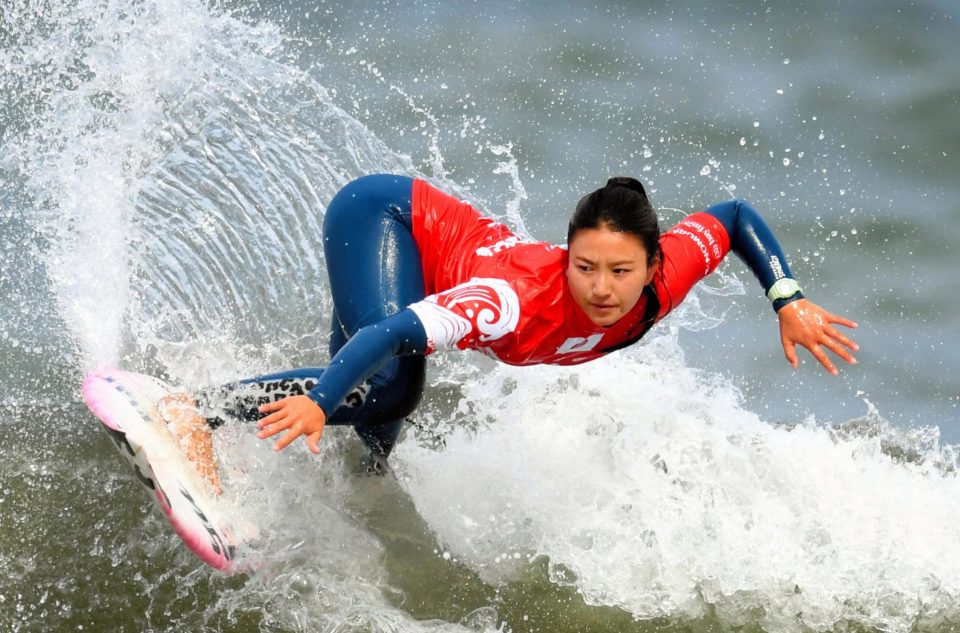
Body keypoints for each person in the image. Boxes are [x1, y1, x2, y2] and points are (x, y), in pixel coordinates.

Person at [166, 173, 858, 487]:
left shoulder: (666, 276)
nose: (600, 287)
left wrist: (787, 297)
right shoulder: (514, 301)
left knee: (374, 441)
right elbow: (386, 335)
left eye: (621, 271)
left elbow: (733, 215)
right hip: (384, 219)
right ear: (565, 256)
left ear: (653, 268)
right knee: (390, 387)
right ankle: (195, 412)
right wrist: (320, 402)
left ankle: (342, 474)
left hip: (428, 255)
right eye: (584, 266)